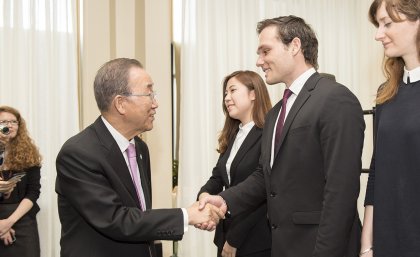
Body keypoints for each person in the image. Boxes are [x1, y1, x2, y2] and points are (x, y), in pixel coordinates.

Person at [198, 15, 365, 257]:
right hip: (283, 246)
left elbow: (341, 190)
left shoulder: (335, 99)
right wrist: (225, 200)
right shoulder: (276, 112)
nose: (259, 61)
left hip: (321, 246)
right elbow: (265, 176)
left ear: (295, 45)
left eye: (265, 51)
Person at [55, 58, 224, 257]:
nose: (156, 103)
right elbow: (117, 220)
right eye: (149, 94)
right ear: (121, 104)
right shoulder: (79, 153)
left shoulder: (140, 148)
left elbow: (140, 214)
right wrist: (187, 215)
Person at [361, 1, 420, 257]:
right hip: (387, 239)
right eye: (378, 25)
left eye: (387, 23)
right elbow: (377, 170)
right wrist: (366, 244)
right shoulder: (388, 93)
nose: (378, 34)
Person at [197, 70, 272, 257]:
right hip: (225, 235)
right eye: (225, 94)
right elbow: (217, 177)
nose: (227, 98)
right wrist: (203, 197)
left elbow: (263, 195)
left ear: (253, 94)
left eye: (232, 91)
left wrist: (234, 239)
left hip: (253, 240)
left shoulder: (268, 135)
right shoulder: (233, 135)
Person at [0, 106, 42, 257]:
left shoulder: (29, 153)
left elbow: (33, 192)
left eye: (13, 121)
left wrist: (8, 222)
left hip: (22, 219)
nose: (9, 125)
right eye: (4, 121)